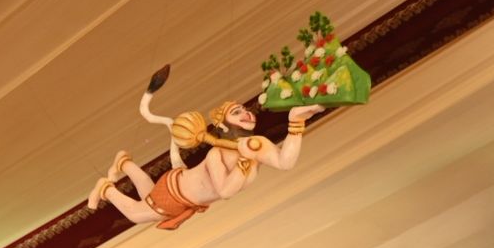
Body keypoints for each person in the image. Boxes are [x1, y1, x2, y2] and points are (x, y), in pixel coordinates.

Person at [88, 70, 325, 230]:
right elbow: (225, 191)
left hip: (180, 191)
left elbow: (285, 162)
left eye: (244, 110)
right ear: (223, 126)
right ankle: (106, 188)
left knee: (147, 197)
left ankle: (125, 163)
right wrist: (243, 162)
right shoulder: (217, 154)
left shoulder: (257, 144)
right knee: (137, 214)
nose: (246, 113)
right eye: (237, 112)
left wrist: (296, 123)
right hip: (176, 193)